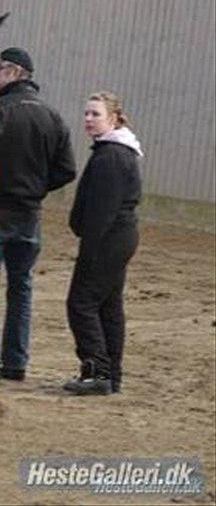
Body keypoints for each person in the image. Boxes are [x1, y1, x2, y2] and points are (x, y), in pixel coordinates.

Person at [0, 48, 76, 383]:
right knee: (22, 288)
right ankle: (16, 363)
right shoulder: (52, 117)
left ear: (11, 72)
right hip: (30, 213)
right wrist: (37, 187)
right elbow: (66, 171)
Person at [64, 92, 143, 396]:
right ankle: (111, 375)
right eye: (86, 114)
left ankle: (97, 369)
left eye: (95, 114)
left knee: (81, 304)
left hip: (108, 240)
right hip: (118, 238)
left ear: (113, 118)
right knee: (108, 306)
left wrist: (89, 250)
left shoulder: (111, 156)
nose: (88, 119)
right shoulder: (117, 151)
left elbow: (101, 212)